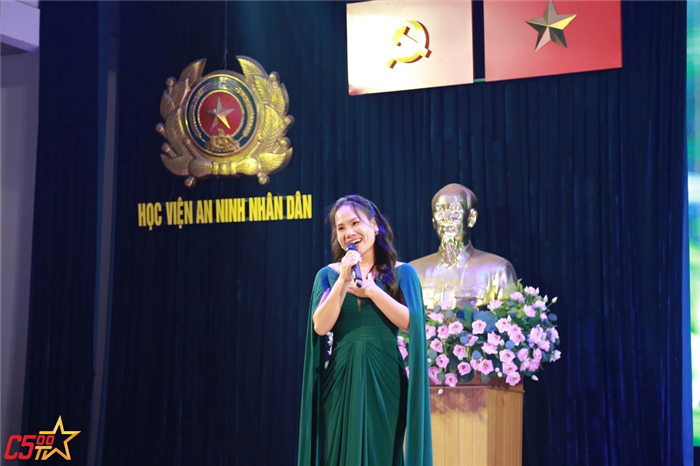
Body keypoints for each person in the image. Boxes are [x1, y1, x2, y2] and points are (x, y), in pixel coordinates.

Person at [298, 195, 432, 466]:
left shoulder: (402, 272)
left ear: (375, 225)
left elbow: (411, 323)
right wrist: (343, 279)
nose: (349, 232)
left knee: (382, 452)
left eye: (355, 223)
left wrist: (371, 291)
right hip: (341, 373)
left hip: (385, 374)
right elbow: (320, 326)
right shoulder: (328, 275)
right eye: (341, 227)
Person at [409, 183, 517, 310]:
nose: (446, 218)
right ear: (433, 221)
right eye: (439, 210)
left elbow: (512, 317)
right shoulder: (413, 272)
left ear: (471, 218)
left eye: (455, 210)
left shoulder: (498, 270)